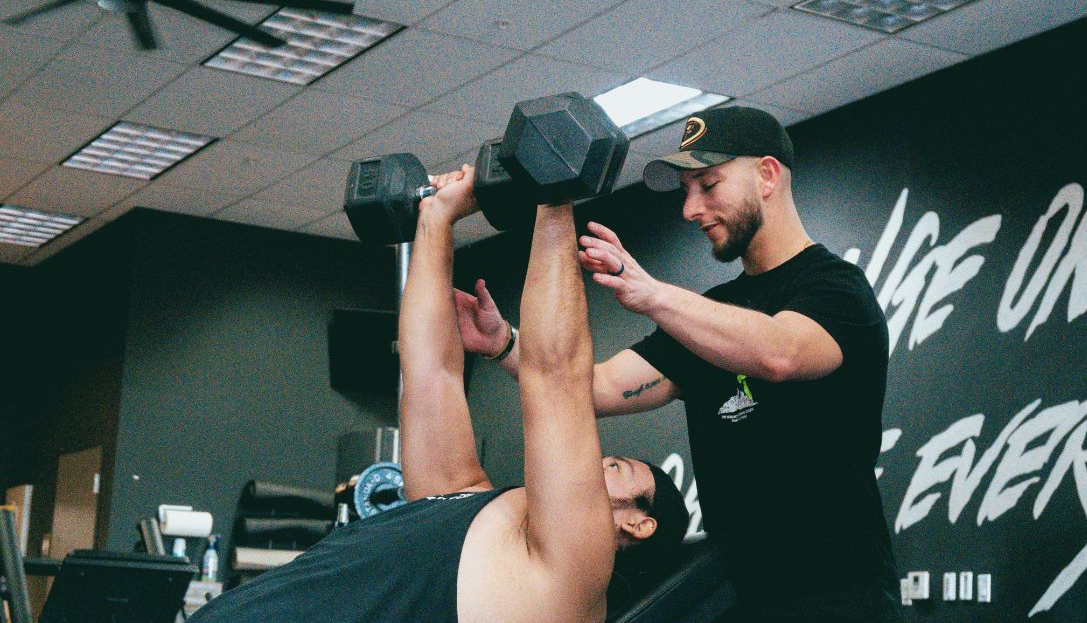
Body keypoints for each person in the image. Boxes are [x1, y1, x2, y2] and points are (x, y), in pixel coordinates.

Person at [456, 106, 900, 621]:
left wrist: (651, 294)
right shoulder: (709, 311)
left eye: (708, 185)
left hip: (841, 596)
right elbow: (594, 389)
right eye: (687, 190)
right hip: (741, 595)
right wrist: (503, 343)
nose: (690, 209)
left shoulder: (835, 288)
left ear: (767, 175)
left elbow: (781, 353)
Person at [191, 166, 688, 622]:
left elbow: (555, 379)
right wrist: (437, 217)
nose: (596, 461)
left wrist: (554, 195)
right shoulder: (466, 503)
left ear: (638, 525)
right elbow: (430, 373)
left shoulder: (571, 578)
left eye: (616, 468)